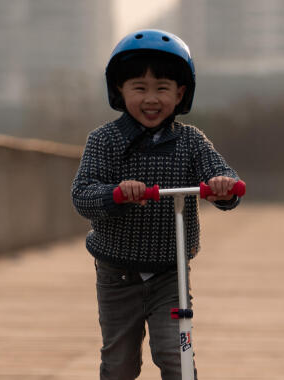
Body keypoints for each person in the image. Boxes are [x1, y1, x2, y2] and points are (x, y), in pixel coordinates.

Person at [71, 29, 242, 380]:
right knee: (119, 362)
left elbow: (222, 176)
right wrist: (115, 194)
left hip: (170, 274)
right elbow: (82, 194)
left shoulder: (191, 142)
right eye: (139, 88)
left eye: (162, 88)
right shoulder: (104, 141)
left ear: (180, 94)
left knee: (177, 356)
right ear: (120, 89)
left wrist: (222, 187)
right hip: (117, 274)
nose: (151, 99)